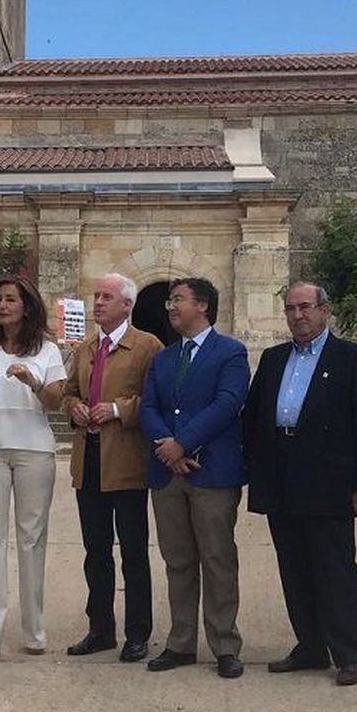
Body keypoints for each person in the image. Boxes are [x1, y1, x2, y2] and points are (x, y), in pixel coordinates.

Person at [244, 283, 357, 686]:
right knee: (294, 566)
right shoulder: (273, 358)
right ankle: (310, 646)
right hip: (280, 476)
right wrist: (255, 467)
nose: (298, 315)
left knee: (334, 569)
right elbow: (253, 418)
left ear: (325, 310)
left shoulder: (351, 358)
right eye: (290, 309)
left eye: (305, 307)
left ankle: (350, 654)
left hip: (329, 480)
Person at [139, 277, 251, 679]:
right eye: (170, 300)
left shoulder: (231, 353)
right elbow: (148, 406)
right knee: (178, 561)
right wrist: (166, 446)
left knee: (218, 560)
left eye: (178, 299)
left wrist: (182, 443)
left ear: (202, 306)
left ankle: (224, 644)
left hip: (212, 473)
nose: (170, 306)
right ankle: (181, 642)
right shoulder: (163, 358)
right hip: (168, 475)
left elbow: (228, 403)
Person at [62, 273, 163, 663]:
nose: (98, 302)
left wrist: (118, 409)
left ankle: (138, 632)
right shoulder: (86, 348)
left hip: (126, 463)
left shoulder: (146, 346)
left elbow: (155, 398)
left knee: (133, 551)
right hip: (88, 461)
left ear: (127, 305)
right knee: (96, 551)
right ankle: (100, 628)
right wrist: (76, 408)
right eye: (96, 296)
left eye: (107, 297)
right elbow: (70, 391)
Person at [0, 275, 67, 660]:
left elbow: (55, 401)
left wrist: (32, 381)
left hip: (34, 450)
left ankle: (34, 630)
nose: (2, 305)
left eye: (10, 299)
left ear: (26, 305)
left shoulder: (47, 349)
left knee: (31, 541)